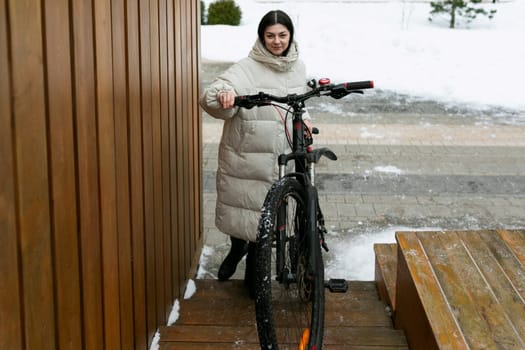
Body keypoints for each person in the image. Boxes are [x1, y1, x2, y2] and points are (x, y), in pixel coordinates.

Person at [199, 9, 311, 294]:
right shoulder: (246, 67)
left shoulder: (298, 67)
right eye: (270, 35)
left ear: (290, 36)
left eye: (282, 35)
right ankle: (237, 251)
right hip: (247, 155)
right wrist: (223, 97)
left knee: (266, 216)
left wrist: (306, 126)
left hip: (281, 155)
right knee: (244, 212)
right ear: (262, 37)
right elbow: (212, 94)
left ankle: (253, 261)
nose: (276, 41)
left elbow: (300, 104)